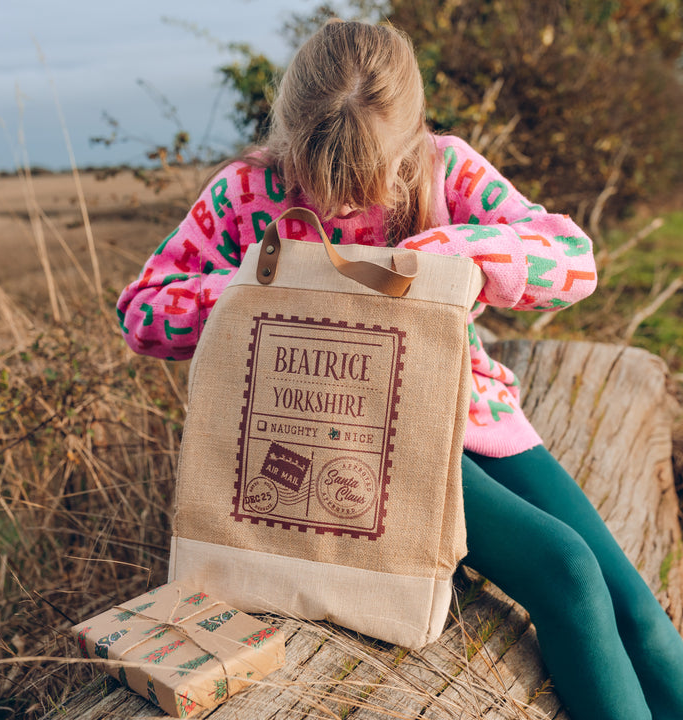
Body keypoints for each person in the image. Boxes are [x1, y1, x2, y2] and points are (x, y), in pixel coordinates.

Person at [116, 19, 683, 720]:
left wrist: (461, 252)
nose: (341, 202)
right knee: (566, 571)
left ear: (414, 137)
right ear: (288, 138)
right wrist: (256, 289)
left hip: (472, 411)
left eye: (364, 179)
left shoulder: (447, 166)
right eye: (319, 177)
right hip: (344, 438)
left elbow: (573, 258)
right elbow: (142, 312)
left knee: (639, 612)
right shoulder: (244, 192)